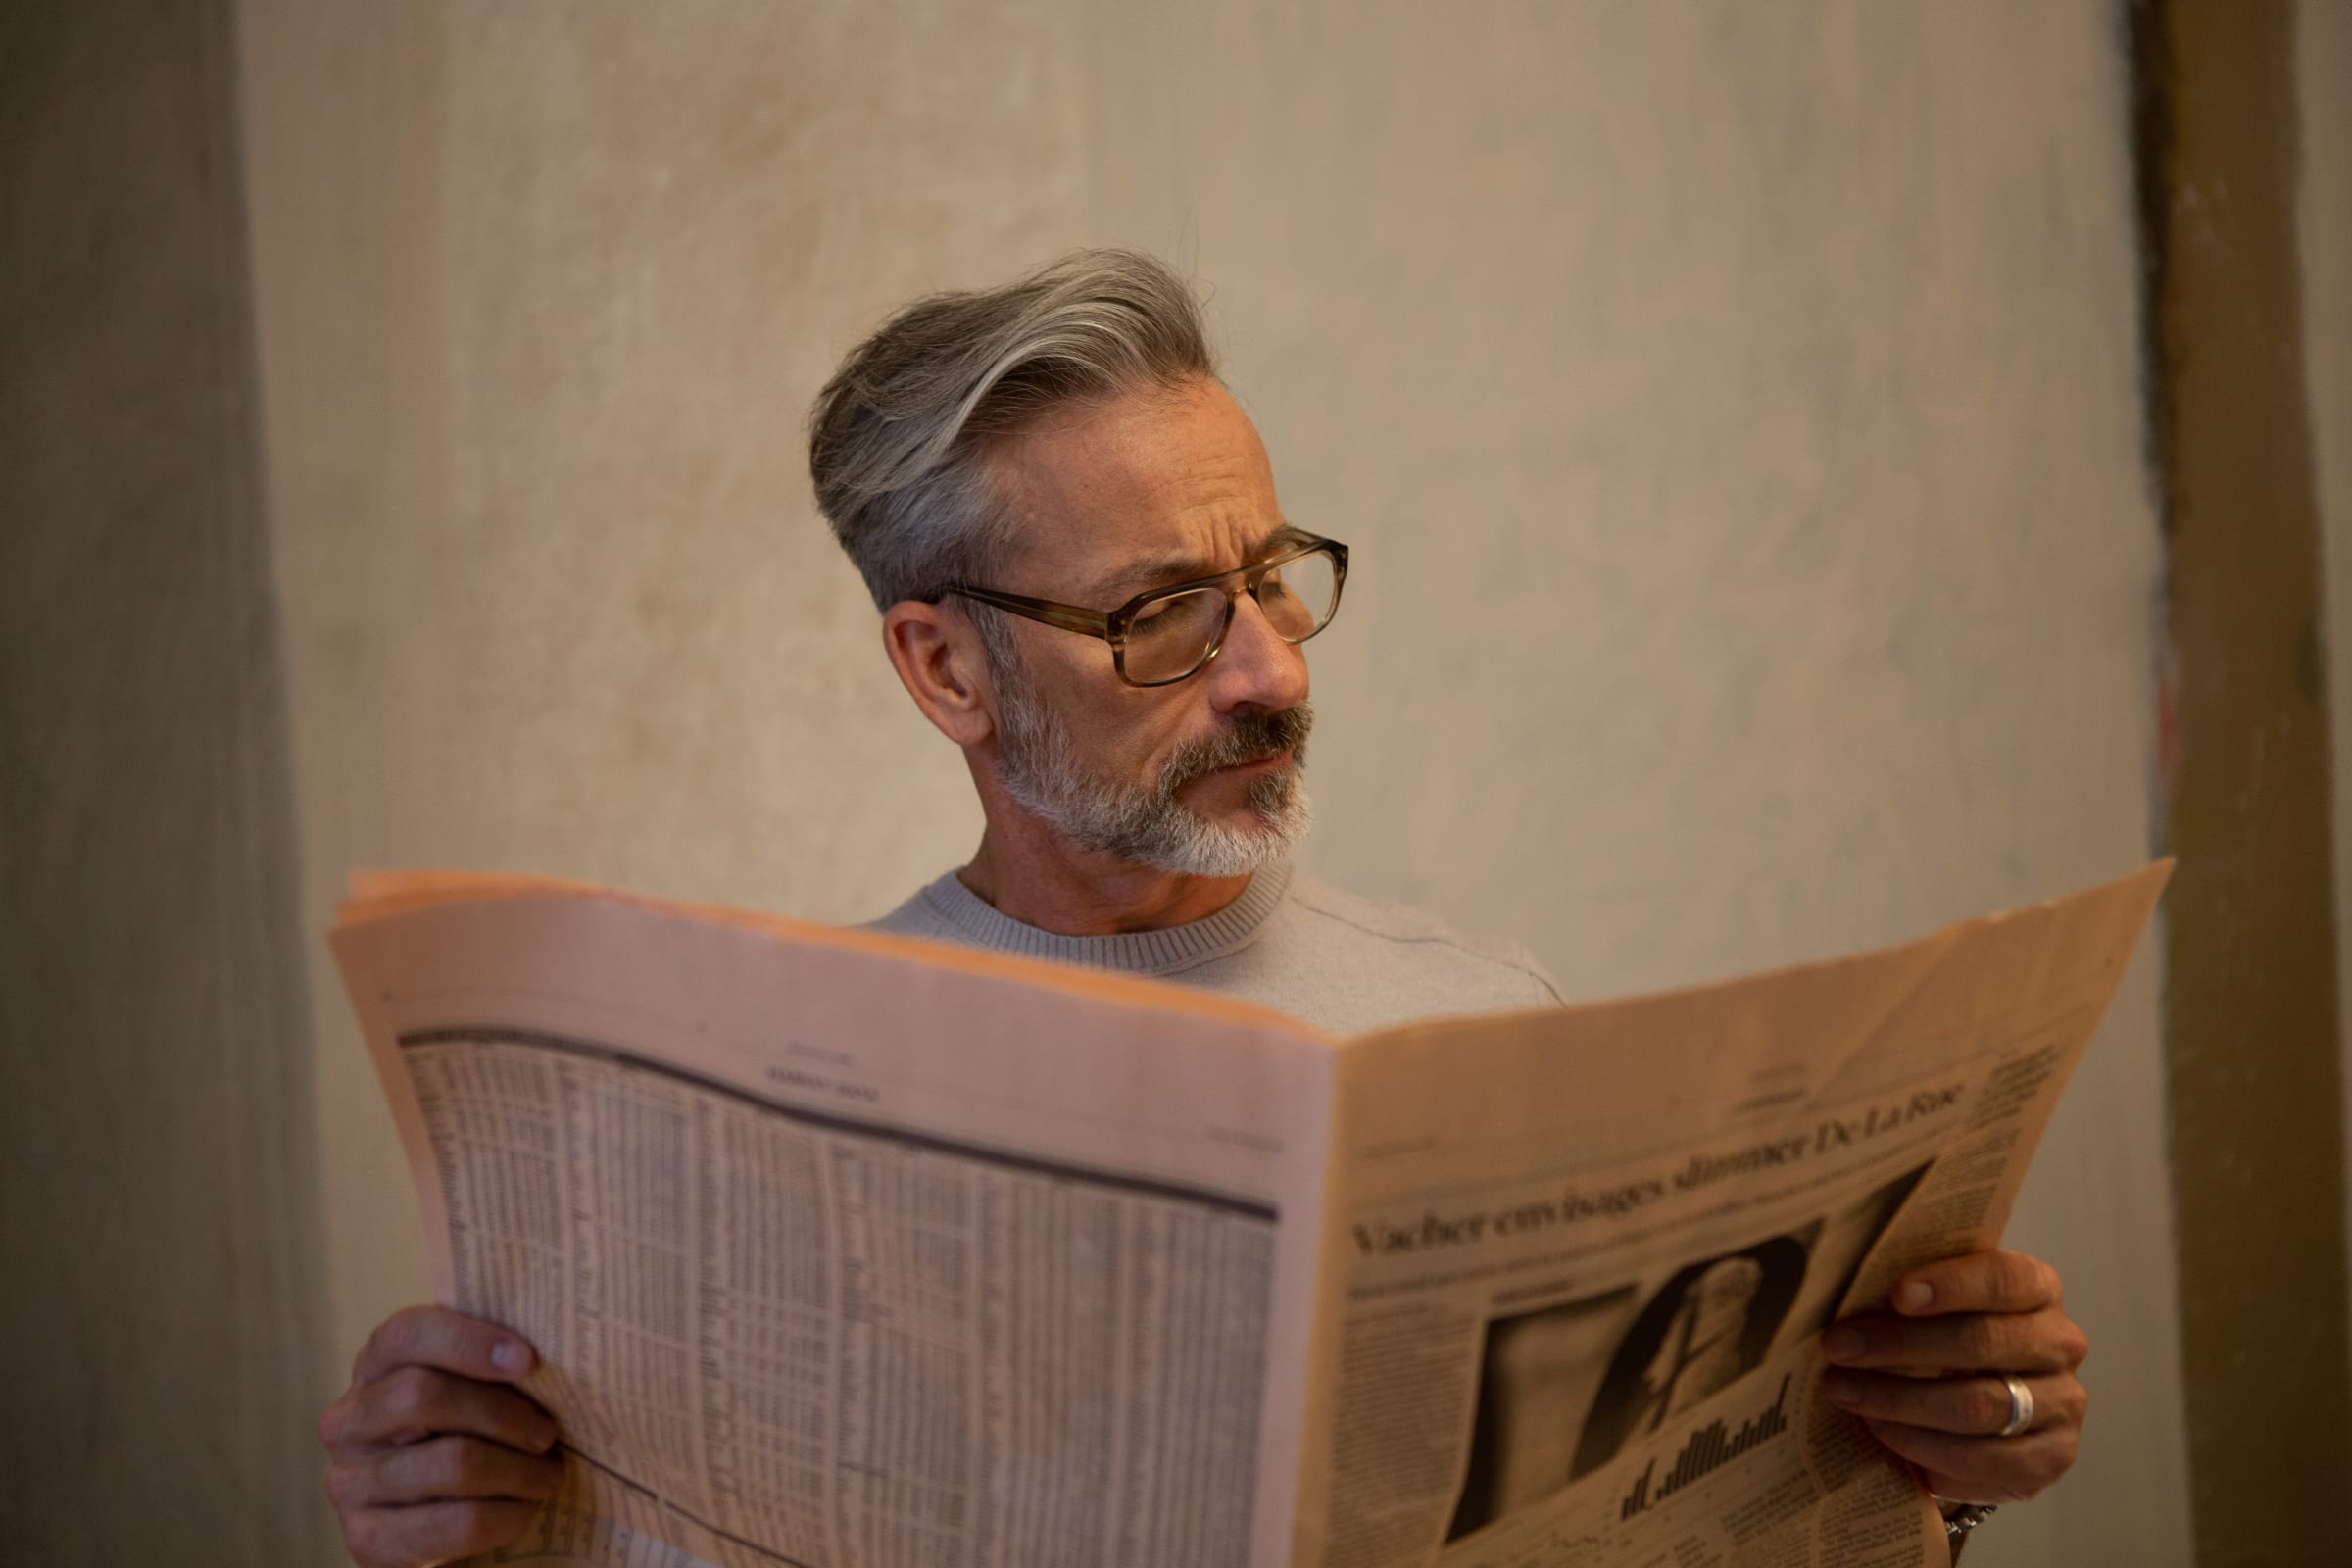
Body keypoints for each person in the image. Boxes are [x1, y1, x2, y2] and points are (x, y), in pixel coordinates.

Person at [320, 251, 2089, 1565]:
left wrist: (1934, 1470)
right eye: (1162, 611)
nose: (1266, 671)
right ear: (946, 669)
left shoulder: (1484, 1016)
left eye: (1269, 579)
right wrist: (453, 1525)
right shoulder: (776, 1097)